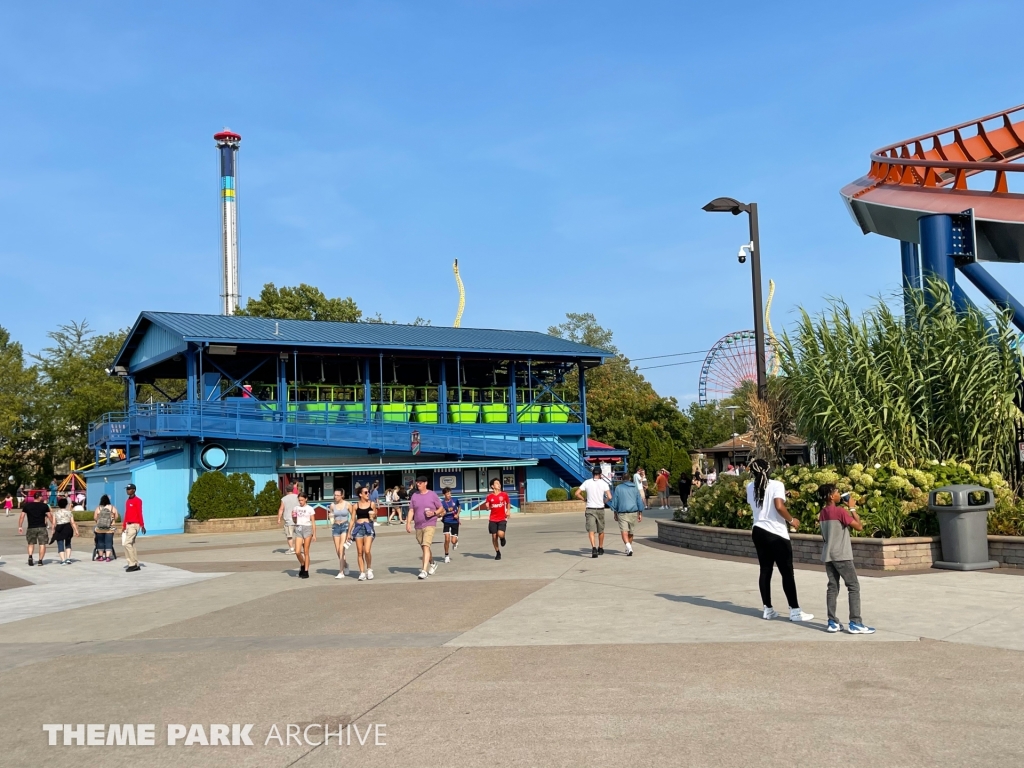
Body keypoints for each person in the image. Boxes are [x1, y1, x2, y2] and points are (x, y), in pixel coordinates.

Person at [746, 459, 812, 622]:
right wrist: (792, 520)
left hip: (758, 531)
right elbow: (779, 506)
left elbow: (760, 500)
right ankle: (795, 611)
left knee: (765, 570)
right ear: (768, 470)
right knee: (787, 572)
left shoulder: (750, 486)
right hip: (776, 533)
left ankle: (767, 609)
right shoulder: (776, 485)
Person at [818, 485, 875, 634]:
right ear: (831, 496)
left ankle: (832, 622)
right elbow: (859, 527)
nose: (839, 495)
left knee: (832, 587)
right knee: (853, 586)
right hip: (841, 555)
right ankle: (855, 622)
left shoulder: (822, 513)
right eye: (837, 492)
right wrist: (852, 508)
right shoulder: (840, 511)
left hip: (828, 555)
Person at [407, 476, 443, 579]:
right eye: (417, 482)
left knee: (426, 545)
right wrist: (408, 523)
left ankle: (423, 571)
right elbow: (411, 510)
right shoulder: (414, 496)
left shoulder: (432, 495)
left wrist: (434, 513)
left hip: (430, 524)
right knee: (424, 547)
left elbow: (440, 508)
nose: (418, 484)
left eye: (420, 482)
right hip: (418, 525)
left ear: (425, 483)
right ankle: (432, 563)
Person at [575, 466, 611, 558]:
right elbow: (610, 497)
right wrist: (604, 501)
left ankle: (593, 548)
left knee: (591, 530)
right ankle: (601, 547)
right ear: (600, 474)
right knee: (601, 530)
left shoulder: (587, 482)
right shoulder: (604, 483)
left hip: (590, 508)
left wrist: (584, 499)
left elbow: (577, 493)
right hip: (600, 508)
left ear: (593, 474)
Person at [610, 474, 644, 556]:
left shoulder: (618, 488)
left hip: (622, 512)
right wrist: (640, 513)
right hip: (633, 512)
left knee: (624, 531)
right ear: (630, 478)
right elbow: (639, 500)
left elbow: (615, 501)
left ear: (622, 479)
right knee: (631, 532)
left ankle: (628, 547)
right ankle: (629, 547)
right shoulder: (635, 488)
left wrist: (614, 512)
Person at [478, 477, 511, 560]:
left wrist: (508, 511)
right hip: (493, 519)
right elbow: (487, 506)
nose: (499, 484)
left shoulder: (504, 494)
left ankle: (503, 539)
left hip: (502, 518)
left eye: (499, 483)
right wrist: (487, 507)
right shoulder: (489, 496)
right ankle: (497, 552)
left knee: (500, 534)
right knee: (494, 536)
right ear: (492, 486)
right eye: (497, 483)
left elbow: (508, 503)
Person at [18, 491, 53, 566]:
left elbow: (22, 516)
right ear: (40, 497)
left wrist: (20, 526)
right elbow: (50, 516)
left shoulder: (27, 506)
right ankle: (40, 561)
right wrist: (53, 524)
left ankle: (30, 556)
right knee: (42, 544)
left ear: (34, 497)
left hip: (31, 527)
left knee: (30, 543)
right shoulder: (44, 506)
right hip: (42, 527)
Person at [351, 486, 377, 580]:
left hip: (368, 528)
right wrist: (349, 533)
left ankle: (369, 569)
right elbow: (352, 519)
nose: (368, 494)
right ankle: (362, 572)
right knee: (359, 552)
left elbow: (375, 517)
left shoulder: (372, 504)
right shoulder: (355, 506)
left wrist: (373, 516)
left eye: (368, 492)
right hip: (358, 528)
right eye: (366, 492)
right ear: (360, 494)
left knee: (367, 550)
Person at [291, 492, 316, 579]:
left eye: (302, 500)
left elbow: (313, 522)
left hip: (307, 528)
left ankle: (306, 570)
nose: (300, 502)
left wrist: (314, 534)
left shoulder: (310, 509)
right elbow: (294, 520)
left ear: (306, 499)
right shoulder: (296, 508)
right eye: (299, 500)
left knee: (306, 551)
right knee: (297, 551)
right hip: (298, 528)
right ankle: (302, 563)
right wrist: (293, 517)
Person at [122, 483, 146, 572]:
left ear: (134, 490)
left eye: (129, 489)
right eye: (127, 489)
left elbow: (140, 512)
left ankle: (132, 564)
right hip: (128, 525)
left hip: (135, 525)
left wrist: (142, 525)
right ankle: (136, 563)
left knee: (126, 543)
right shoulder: (128, 501)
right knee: (131, 544)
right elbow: (126, 513)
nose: (127, 491)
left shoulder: (138, 500)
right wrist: (124, 525)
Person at [329, 490, 351, 579]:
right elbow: (331, 515)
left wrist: (351, 529)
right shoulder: (332, 505)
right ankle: (346, 565)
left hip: (345, 526)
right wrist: (330, 517)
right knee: (338, 550)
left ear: (342, 495)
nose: (336, 497)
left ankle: (341, 572)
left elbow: (353, 516)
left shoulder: (347, 504)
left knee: (342, 549)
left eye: (338, 495)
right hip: (335, 527)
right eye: (335, 495)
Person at [51, 497, 79, 565]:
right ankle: (68, 559)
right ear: (66, 504)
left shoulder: (56, 513)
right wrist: (76, 530)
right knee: (68, 543)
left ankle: (63, 560)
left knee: (60, 544)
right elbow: (72, 522)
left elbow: (54, 523)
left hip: (59, 528)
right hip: (68, 527)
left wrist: (53, 530)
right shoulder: (69, 512)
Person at [94, 494, 119, 561]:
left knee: (100, 542)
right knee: (108, 542)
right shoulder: (112, 507)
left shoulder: (98, 508)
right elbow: (116, 517)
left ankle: (101, 556)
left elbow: (95, 517)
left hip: (100, 528)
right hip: (110, 528)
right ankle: (108, 557)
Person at [277, 483, 300, 554]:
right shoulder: (297, 497)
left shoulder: (284, 499)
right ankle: (298, 548)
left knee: (289, 535)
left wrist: (279, 518)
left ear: (286, 490)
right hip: (298, 519)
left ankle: (292, 549)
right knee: (298, 535)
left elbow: (281, 509)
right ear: (293, 490)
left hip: (288, 520)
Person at [440, 487, 460, 563]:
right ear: (444, 494)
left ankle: (456, 542)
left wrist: (457, 514)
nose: (449, 495)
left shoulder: (455, 500)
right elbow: (440, 514)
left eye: (450, 493)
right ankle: (446, 555)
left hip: (454, 521)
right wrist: (442, 514)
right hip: (446, 521)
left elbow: (459, 507)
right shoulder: (442, 503)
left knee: (453, 541)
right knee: (447, 539)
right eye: (447, 493)